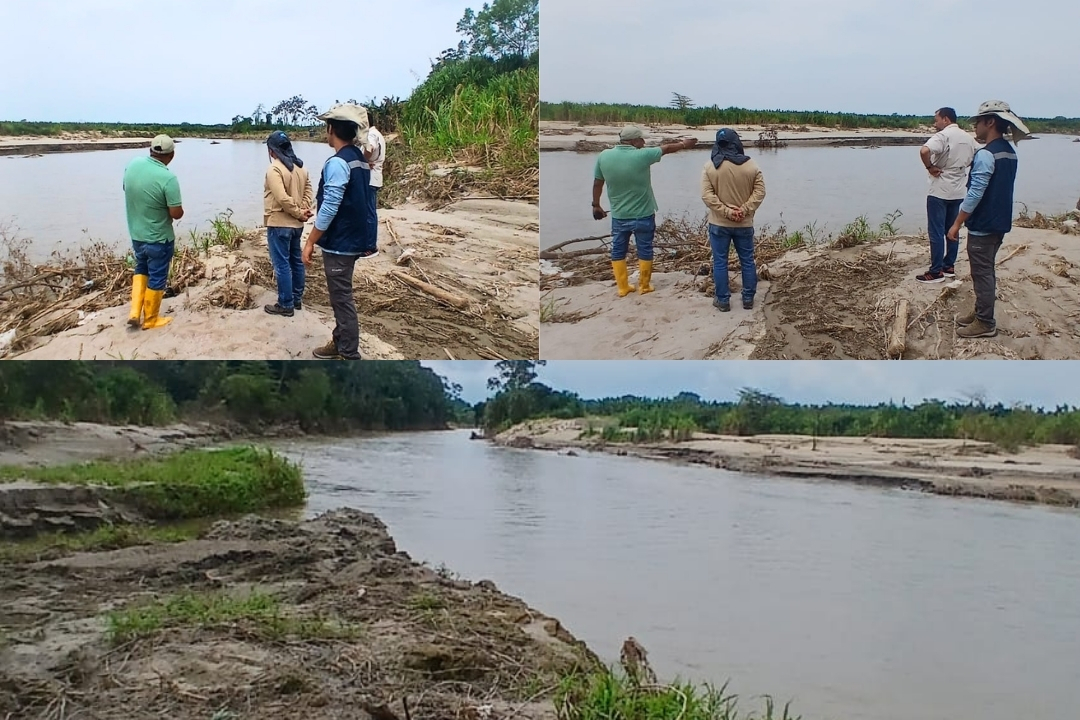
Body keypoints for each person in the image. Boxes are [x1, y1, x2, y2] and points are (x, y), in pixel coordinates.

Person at [947, 100, 1029, 339]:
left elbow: (974, 194)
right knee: (987, 271)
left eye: (978, 122)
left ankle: (985, 322)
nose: (975, 127)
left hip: (983, 225)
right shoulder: (1009, 152)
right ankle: (981, 312)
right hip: (999, 223)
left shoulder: (986, 155)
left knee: (981, 273)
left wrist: (957, 222)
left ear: (990, 122)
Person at [302, 103, 376, 360]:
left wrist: (311, 240)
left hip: (341, 242)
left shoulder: (338, 162)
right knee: (340, 296)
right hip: (355, 237)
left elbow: (332, 205)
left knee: (342, 299)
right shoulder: (359, 159)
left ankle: (348, 353)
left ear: (331, 129)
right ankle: (339, 340)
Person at [592, 126, 697, 296]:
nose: (644, 142)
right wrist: (684, 144)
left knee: (618, 250)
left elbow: (598, 183)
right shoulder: (642, 155)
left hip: (619, 216)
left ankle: (623, 287)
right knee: (645, 249)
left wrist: (596, 205)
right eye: (641, 139)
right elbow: (667, 148)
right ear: (634, 141)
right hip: (644, 214)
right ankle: (644, 285)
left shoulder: (604, 156)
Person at [700, 128, 766, 311]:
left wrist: (727, 212)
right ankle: (748, 299)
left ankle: (722, 300)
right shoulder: (752, 165)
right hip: (744, 224)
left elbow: (707, 196)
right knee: (747, 260)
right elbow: (760, 192)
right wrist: (743, 210)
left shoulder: (710, 166)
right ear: (736, 142)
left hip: (719, 223)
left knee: (720, 261)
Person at [122, 134, 183, 330]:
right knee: (157, 275)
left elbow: (126, 188)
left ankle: (134, 312)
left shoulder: (133, 164)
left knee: (141, 269)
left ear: (150, 150)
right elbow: (176, 213)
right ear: (171, 155)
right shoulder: (168, 178)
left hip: (136, 235)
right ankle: (150, 319)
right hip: (159, 238)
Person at [917, 107, 976, 284]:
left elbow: (924, 151)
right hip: (958, 189)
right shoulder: (968, 138)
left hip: (940, 188)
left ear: (946, 119)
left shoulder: (943, 136)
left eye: (937, 120)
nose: (935, 123)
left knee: (936, 231)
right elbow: (979, 155)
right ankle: (948, 266)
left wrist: (929, 167)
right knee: (952, 229)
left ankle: (936, 272)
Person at [263, 131, 313, 317]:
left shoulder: (274, 169)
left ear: (271, 150)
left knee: (282, 264)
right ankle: (296, 299)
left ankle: (285, 303)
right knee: (296, 262)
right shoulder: (300, 167)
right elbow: (309, 189)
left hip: (279, 223)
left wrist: (298, 212)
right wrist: (303, 210)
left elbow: (282, 198)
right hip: (296, 225)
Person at [365, 123, 386, 255]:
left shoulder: (371, 134)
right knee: (370, 211)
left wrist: (361, 160)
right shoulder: (377, 134)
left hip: (371, 178)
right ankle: (369, 244)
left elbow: (370, 148)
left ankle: (370, 246)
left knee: (369, 213)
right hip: (375, 177)